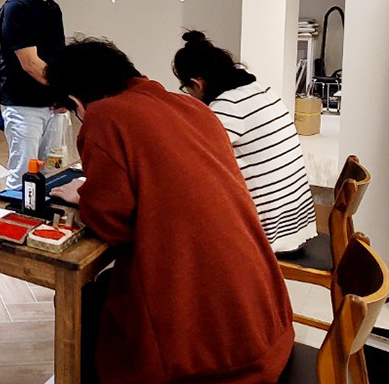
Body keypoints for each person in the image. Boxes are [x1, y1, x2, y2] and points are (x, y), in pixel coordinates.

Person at [47, 38, 294, 384]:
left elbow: (113, 224)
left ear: (76, 101)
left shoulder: (105, 115)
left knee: (88, 302)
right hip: (265, 323)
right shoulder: (192, 107)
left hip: (211, 359)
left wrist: (86, 197)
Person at [172, 30, 318, 253]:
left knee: (181, 222)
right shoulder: (261, 91)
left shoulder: (227, 106)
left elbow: (193, 164)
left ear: (197, 84)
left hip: (271, 233)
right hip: (297, 220)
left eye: (186, 89)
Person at [0, 0, 67, 189]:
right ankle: (16, 212)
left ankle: (44, 214)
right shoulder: (17, 7)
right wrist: (64, 91)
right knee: (24, 174)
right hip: (24, 106)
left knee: (53, 169)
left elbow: (58, 56)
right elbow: (31, 63)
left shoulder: (53, 7)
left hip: (52, 104)